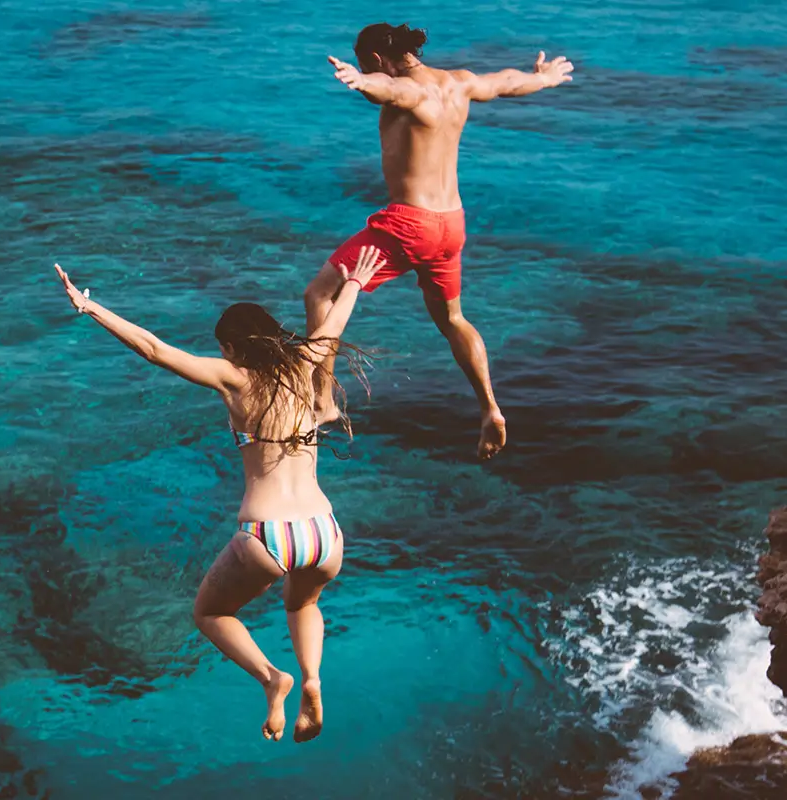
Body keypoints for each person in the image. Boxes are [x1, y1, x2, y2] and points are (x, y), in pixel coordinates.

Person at [55, 247, 387, 742]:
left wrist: (90, 307)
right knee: (302, 605)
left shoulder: (234, 380)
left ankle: (274, 679)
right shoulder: (303, 362)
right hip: (324, 533)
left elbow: (155, 350)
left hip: (269, 534)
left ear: (233, 348)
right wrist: (355, 282)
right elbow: (333, 322)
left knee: (210, 613)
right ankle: (314, 679)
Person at [310, 23, 574, 460]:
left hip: (408, 224)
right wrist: (543, 78)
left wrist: (361, 83)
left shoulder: (405, 89)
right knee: (452, 319)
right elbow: (505, 82)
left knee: (319, 293)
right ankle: (490, 408)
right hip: (451, 225)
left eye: (364, 64)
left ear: (377, 59)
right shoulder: (459, 82)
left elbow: (390, 92)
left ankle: (323, 401)